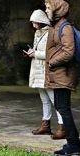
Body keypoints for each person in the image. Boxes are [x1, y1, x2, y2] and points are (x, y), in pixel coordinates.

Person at [45, 0, 80, 155]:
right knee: (62, 107)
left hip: (63, 74)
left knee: (63, 108)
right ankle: (75, 143)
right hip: (57, 75)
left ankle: (73, 144)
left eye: (48, 8)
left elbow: (69, 52)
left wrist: (52, 62)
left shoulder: (65, 27)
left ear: (56, 10)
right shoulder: (55, 26)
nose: (46, 10)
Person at [24, 9, 65, 139]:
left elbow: (51, 54)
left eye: (34, 21)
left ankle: (63, 127)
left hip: (46, 70)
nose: (33, 24)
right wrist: (32, 52)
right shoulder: (38, 33)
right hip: (37, 69)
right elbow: (39, 50)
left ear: (40, 21)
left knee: (55, 99)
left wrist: (35, 54)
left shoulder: (50, 33)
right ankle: (45, 125)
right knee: (44, 99)